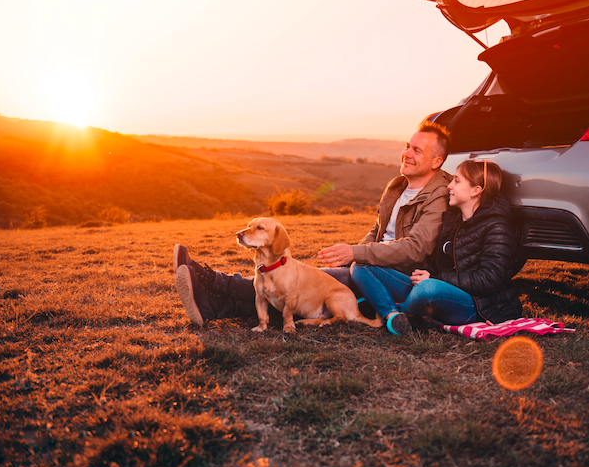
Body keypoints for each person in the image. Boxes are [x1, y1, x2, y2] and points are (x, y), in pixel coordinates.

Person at [174, 121, 454, 327]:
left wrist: (356, 255)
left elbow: (416, 248)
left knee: (298, 284)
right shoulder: (398, 186)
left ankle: (214, 286)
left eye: (417, 151)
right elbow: (378, 231)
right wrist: (357, 252)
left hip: (396, 275)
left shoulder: (438, 196)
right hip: (369, 266)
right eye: (407, 146)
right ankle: (215, 300)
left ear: (436, 161)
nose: (407, 153)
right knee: (295, 283)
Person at [350, 159, 523, 336]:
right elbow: (439, 264)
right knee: (361, 265)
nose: (449, 186)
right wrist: (424, 274)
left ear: (476, 190)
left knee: (428, 289)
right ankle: (393, 315)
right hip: (439, 289)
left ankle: (382, 305)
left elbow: (489, 279)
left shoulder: (497, 226)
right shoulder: (453, 220)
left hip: (477, 305)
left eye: (456, 181)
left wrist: (435, 278)